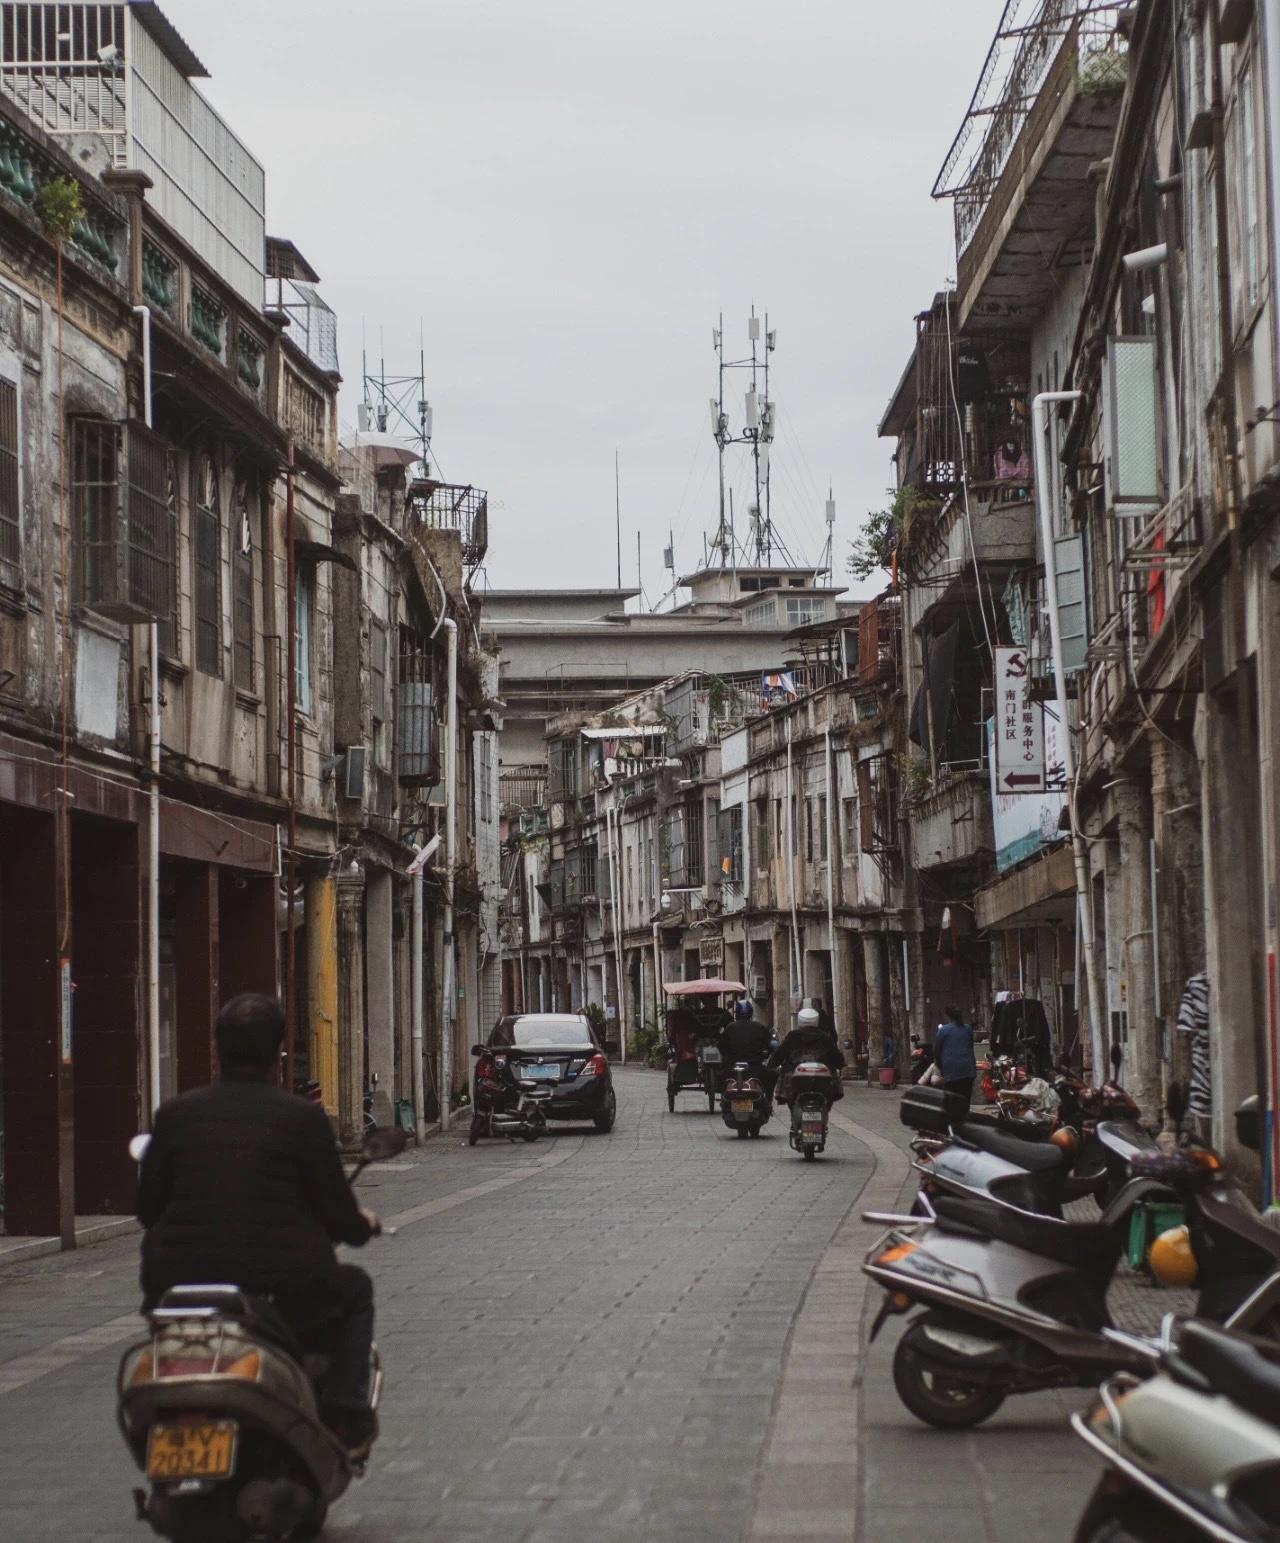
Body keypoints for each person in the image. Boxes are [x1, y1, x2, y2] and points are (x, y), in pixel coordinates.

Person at [137, 993, 381, 1459]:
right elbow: (337, 1215)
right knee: (354, 1290)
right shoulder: (303, 1119)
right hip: (282, 1291)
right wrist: (360, 1224)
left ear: (218, 1048)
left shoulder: (174, 1116)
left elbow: (148, 1209)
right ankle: (346, 1413)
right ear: (276, 1052)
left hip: (178, 1286)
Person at [773, 1005, 845, 1103]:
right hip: (821, 1074)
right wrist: (840, 1064)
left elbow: (781, 1052)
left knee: (785, 1077)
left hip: (795, 1072)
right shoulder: (823, 1036)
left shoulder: (793, 1036)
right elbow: (835, 1054)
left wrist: (774, 1063)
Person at [719, 998, 777, 1100]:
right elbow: (771, 1044)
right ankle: (768, 1100)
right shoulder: (760, 1027)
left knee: (720, 1078)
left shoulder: (729, 1028)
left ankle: (725, 1101)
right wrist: (767, 1053)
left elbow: (721, 1047)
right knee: (773, 1076)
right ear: (751, 1013)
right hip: (755, 1067)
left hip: (732, 1068)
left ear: (737, 1013)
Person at [933, 1004, 977, 1106]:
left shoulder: (943, 1031)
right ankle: (963, 1118)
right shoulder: (967, 1029)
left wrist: (941, 1068)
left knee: (951, 1101)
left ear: (947, 1016)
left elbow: (937, 1053)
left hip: (951, 1070)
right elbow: (970, 1047)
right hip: (968, 1069)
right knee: (965, 1100)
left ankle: (953, 1120)